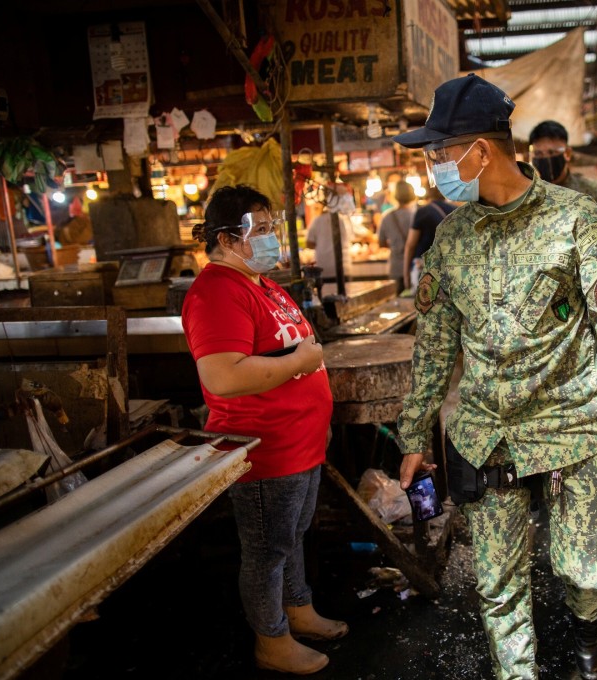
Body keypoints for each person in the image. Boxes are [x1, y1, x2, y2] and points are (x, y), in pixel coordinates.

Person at [392, 73, 597, 680]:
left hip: (572, 427)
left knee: (587, 569)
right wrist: (414, 431)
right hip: (487, 436)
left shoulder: (577, 220)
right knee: (498, 582)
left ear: (481, 150)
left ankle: (588, 626)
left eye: (438, 152)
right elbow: (436, 343)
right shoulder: (450, 237)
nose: (433, 166)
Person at [182, 185, 347, 675]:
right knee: (266, 551)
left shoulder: (261, 283)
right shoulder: (215, 292)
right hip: (263, 450)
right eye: (264, 227)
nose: (275, 236)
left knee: (292, 536)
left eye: (274, 225)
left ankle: (298, 609)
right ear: (230, 238)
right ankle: (271, 640)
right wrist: (302, 361)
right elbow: (223, 375)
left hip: (300, 443)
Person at [528, 120, 597, 264]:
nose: (545, 158)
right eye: (539, 153)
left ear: (567, 153)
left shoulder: (590, 191)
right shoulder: (530, 194)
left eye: (552, 152)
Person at [305, 185, 371, 280]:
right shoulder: (344, 219)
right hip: (342, 268)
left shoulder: (317, 221)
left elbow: (309, 244)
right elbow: (359, 236)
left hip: (323, 268)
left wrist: (323, 243)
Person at [403, 185, 455, 291]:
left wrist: (406, 275)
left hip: (425, 269)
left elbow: (411, 245)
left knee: (425, 304)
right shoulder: (456, 211)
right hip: (448, 269)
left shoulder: (423, 212)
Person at [377, 180, 416, 293]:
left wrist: (395, 245)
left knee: (397, 303)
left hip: (396, 267)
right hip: (415, 267)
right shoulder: (417, 214)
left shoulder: (387, 217)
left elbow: (381, 242)